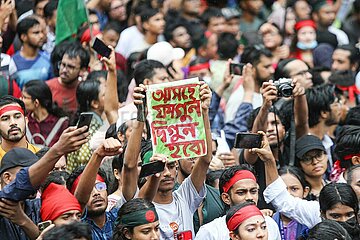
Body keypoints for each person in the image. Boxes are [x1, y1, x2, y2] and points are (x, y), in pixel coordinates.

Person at [252, 131, 360, 238]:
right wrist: (269, 160)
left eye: (349, 215)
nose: (344, 221)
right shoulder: (314, 213)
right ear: (322, 214)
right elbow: (282, 200)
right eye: (335, 216)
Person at [195, 165, 281, 240]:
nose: (249, 197)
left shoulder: (270, 224)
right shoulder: (210, 232)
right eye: (241, 192)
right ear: (226, 198)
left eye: (253, 191)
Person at [226, 45, 274, 122]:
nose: (272, 70)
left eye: (271, 66)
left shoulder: (267, 93)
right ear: (250, 69)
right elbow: (232, 130)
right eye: (266, 67)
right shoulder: (239, 98)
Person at [22, 80, 69, 147]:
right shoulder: (24, 122)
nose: (21, 100)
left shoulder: (61, 123)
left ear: (36, 102)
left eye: (25, 97)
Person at [46, 43, 90, 113]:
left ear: (82, 70)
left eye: (71, 67)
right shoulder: (47, 88)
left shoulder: (85, 91)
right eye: (63, 64)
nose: (64, 70)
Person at [9, 17, 51, 89]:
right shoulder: (12, 62)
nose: (41, 36)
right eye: (36, 33)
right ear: (24, 37)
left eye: (41, 32)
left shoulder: (48, 59)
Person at [0, 95, 40, 161]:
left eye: (17, 117)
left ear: (26, 121)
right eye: (5, 119)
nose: (13, 123)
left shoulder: (42, 157)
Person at [274, 166, 309, 239]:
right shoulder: (269, 222)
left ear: (305, 191)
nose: (288, 194)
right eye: (283, 190)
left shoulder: (311, 222)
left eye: (294, 189)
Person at [295, 135, 328, 200]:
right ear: (299, 164)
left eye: (319, 155)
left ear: (326, 156)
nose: (315, 162)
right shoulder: (299, 195)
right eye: (307, 159)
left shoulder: (333, 186)